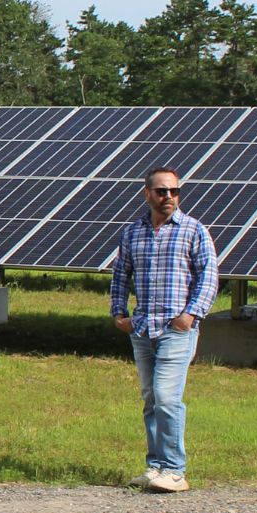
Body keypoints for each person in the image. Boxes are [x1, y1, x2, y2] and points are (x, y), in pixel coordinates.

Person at [109, 165, 218, 493]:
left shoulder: (194, 230)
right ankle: (155, 466)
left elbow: (208, 277)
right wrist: (118, 313)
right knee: (151, 398)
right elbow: (120, 274)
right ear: (148, 194)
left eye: (174, 191)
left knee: (168, 397)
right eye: (161, 191)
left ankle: (174, 470)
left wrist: (191, 316)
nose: (168, 196)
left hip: (176, 329)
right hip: (143, 329)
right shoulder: (132, 233)